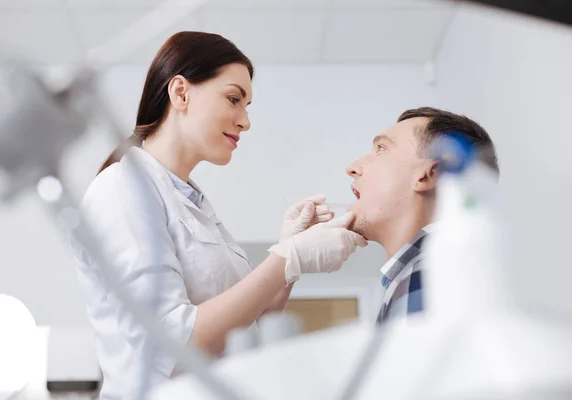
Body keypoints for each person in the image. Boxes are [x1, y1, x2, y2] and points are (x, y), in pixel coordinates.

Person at [70, 31, 367, 399]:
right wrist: (285, 259)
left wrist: (290, 259)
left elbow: (251, 326)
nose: (245, 121)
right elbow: (172, 346)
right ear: (180, 93)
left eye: (247, 106)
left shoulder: (189, 199)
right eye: (233, 99)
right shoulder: (122, 189)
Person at [345, 107, 499, 325]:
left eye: (381, 148)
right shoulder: (418, 277)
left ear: (430, 174)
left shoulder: (427, 277)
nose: (352, 168)